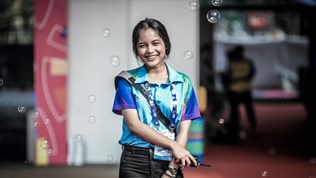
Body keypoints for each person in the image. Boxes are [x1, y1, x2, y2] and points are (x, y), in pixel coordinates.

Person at [112, 18, 200, 178]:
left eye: (155, 43)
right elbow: (133, 125)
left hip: (170, 161)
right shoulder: (127, 81)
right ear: (136, 49)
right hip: (135, 163)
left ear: (165, 44)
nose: (150, 50)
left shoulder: (184, 83)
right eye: (142, 45)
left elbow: (184, 130)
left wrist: (172, 170)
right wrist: (173, 145)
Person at [223, 45, 258, 143]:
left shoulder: (234, 63)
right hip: (240, 89)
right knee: (241, 111)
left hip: (238, 89)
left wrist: (236, 79)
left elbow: (228, 76)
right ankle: (240, 129)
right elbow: (251, 74)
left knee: (243, 111)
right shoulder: (246, 62)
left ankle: (245, 129)